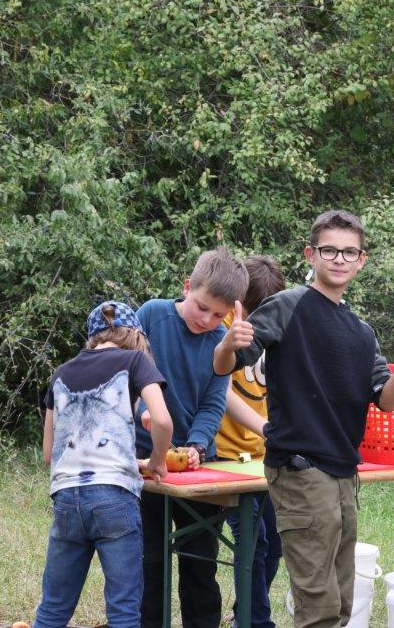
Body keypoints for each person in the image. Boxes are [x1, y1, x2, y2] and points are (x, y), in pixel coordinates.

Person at [213, 210, 394, 628]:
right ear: (311, 254)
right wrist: (227, 343)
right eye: (329, 250)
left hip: (345, 475)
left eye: (349, 252)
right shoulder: (287, 306)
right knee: (319, 608)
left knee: (342, 603)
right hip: (300, 470)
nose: (339, 259)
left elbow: (386, 400)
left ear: (362, 259)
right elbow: (226, 366)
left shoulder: (361, 332)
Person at [35, 302, 173, 628]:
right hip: (114, 496)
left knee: (53, 608)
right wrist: (156, 461)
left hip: (67, 498)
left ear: (92, 338)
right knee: (123, 611)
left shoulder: (62, 372)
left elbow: (47, 453)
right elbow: (163, 421)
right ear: (136, 335)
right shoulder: (136, 361)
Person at [136, 247, 250, 628]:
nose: (207, 319)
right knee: (149, 560)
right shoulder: (152, 315)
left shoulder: (222, 342)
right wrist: (144, 413)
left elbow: (214, 403)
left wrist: (198, 445)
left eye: (219, 315)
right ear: (187, 287)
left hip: (198, 463)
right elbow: (128, 376)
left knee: (200, 563)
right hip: (144, 455)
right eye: (202, 307)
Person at [217, 256, 286, 628]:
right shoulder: (226, 323)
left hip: (264, 456)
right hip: (224, 453)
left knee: (274, 544)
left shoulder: (279, 324)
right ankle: (257, 621)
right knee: (252, 540)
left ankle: (245, 607)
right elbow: (221, 390)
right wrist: (264, 427)